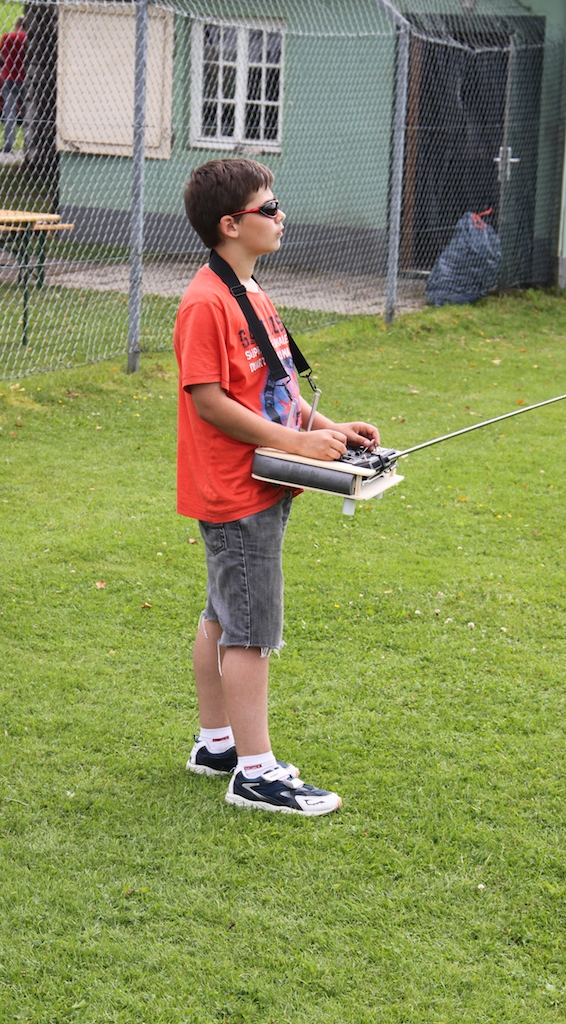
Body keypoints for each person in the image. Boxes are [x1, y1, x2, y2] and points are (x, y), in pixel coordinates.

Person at [174, 158, 380, 816]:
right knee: (251, 629)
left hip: (263, 480)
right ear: (231, 225)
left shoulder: (251, 291)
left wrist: (327, 428)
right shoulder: (205, 302)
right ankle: (255, 773)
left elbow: (277, 390)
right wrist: (295, 444)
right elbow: (209, 401)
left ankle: (217, 745)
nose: (280, 215)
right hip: (235, 489)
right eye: (268, 207)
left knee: (223, 613)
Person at [0, 16, 26, 154]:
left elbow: (0, 55)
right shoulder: (28, 40)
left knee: (10, 112)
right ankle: (30, 144)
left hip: (9, 77)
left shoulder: (7, 37)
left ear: (17, 25)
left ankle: (8, 144)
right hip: (25, 79)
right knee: (28, 112)